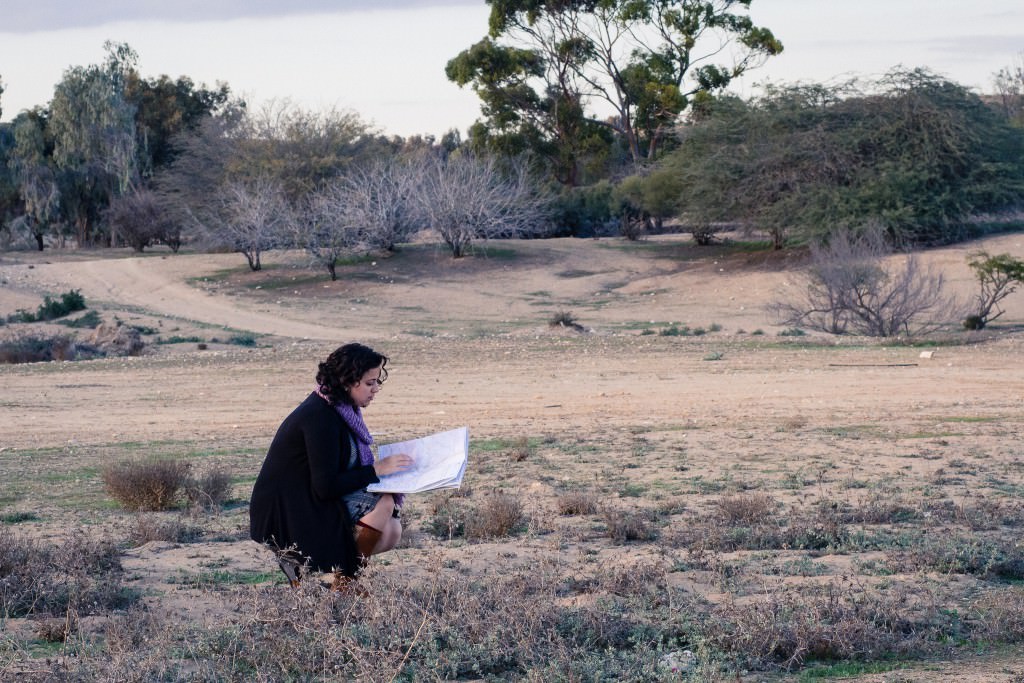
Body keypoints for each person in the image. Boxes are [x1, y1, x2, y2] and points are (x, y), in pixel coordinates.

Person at [249, 343, 412, 585]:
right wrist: (376, 470)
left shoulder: (339, 409)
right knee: (385, 503)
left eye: (378, 382)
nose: (376, 389)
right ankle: (346, 579)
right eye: (369, 383)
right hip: (286, 511)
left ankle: (339, 577)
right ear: (347, 381)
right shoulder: (320, 417)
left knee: (392, 531)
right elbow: (325, 486)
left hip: (305, 497)